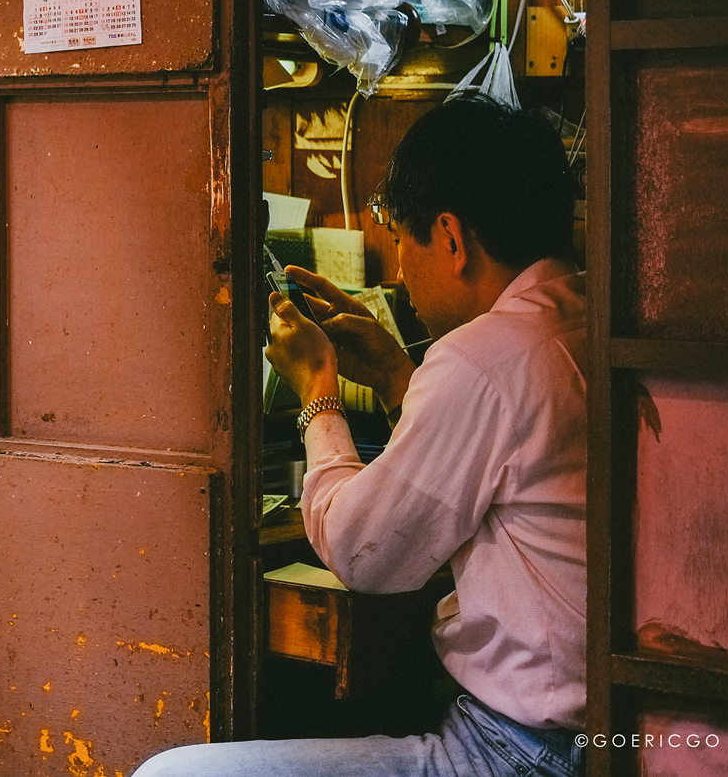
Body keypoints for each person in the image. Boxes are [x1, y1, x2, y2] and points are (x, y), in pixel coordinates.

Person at [135, 94, 587, 777]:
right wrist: (398, 376)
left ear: (452, 238)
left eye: (401, 241)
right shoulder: (579, 318)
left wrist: (317, 390)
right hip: (598, 731)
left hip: (521, 752)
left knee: (169, 775)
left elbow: (364, 553)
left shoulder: (481, 358)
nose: (401, 271)